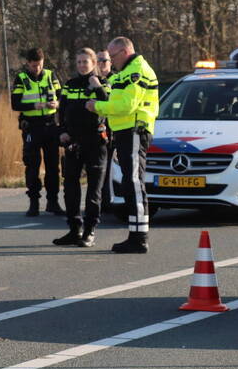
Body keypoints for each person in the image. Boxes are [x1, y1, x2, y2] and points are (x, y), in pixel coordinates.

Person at [86, 36, 159, 253]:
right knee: (130, 182)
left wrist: (97, 106)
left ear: (124, 52)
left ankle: (139, 238)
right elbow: (117, 100)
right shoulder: (126, 73)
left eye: (112, 56)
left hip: (134, 130)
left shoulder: (137, 72)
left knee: (134, 183)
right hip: (126, 133)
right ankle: (135, 234)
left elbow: (126, 105)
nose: (110, 61)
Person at [52, 48, 109, 247]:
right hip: (73, 142)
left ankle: (90, 231)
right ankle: (74, 229)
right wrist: (62, 132)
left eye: (85, 62)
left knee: (93, 191)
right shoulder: (70, 84)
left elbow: (109, 106)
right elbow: (62, 109)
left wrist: (98, 87)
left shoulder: (103, 83)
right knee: (70, 188)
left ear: (94, 63)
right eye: (79, 62)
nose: (82, 65)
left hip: (95, 142)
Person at [10, 47, 64, 217]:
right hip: (32, 126)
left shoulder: (50, 75)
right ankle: (34, 203)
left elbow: (62, 96)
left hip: (50, 125)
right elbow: (15, 104)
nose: (37, 69)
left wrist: (57, 104)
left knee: (53, 166)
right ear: (28, 64)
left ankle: (53, 202)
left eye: (39, 65)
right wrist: (34, 106)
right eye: (34, 66)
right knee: (32, 166)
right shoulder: (21, 78)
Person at [96, 50, 116, 213]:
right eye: (97, 61)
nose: (101, 64)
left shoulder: (116, 80)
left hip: (113, 130)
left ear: (111, 62)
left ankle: (111, 200)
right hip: (97, 131)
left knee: (111, 167)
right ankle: (101, 201)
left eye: (104, 60)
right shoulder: (92, 80)